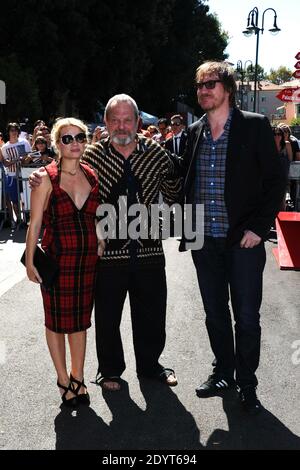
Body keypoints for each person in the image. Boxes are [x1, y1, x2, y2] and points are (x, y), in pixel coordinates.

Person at [29, 94, 182, 392]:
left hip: (149, 248)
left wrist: (176, 181)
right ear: (106, 122)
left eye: (127, 120)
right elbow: (64, 166)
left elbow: (174, 192)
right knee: (108, 316)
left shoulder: (156, 152)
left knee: (152, 313)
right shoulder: (92, 154)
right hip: (106, 253)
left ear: (137, 122)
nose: (121, 126)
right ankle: (109, 370)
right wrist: (39, 175)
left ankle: (151, 365)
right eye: (115, 120)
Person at [179, 61, 285, 414]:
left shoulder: (254, 126)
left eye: (210, 84)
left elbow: (274, 181)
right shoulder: (193, 132)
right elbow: (181, 179)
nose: (203, 90)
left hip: (243, 240)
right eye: (199, 85)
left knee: (247, 317)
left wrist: (258, 227)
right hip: (203, 240)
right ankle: (223, 371)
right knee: (214, 313)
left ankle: (247, 382)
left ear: (227, 88)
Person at [25, 117, 101, 407]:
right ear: (57, 144)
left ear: (85, 141)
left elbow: (93, 217)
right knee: (56, 323)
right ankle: (62, 379)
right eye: (67, 139)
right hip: (57, 263)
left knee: (80, 323)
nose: (74, 143)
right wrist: (30, 262)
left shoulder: (92, 175)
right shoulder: (45, 177)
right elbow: (34, 225)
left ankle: (78, 377)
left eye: (79, 137)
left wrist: (101, 240)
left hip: (86, 264)